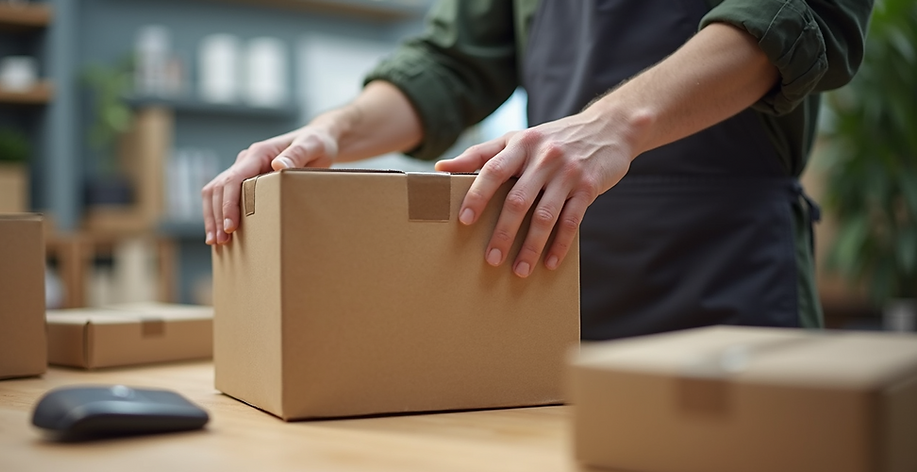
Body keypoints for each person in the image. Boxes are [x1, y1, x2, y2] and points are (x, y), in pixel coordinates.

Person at [202, 0, 873, 340]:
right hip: (547, 279)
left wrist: (614, 126)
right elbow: (454, 61)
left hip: (726, 277)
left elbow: (800, 14)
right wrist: (330, 132)